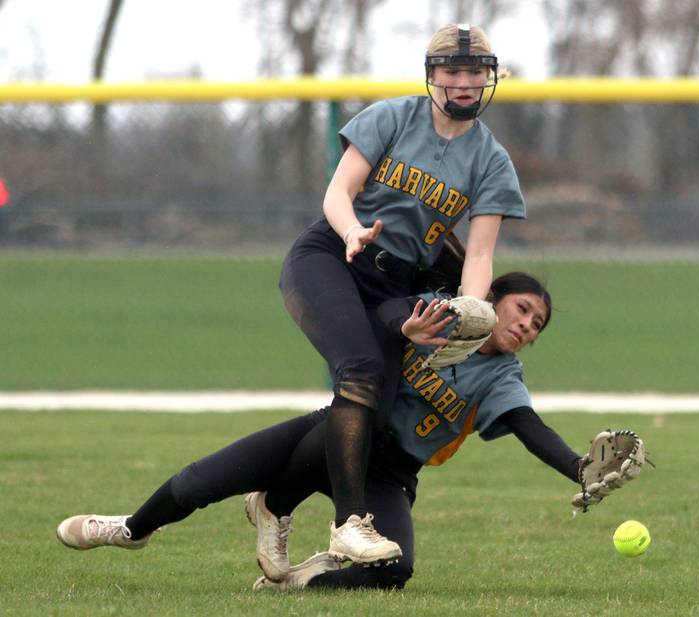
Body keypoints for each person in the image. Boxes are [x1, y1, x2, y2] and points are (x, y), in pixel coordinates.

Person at [57, 272, 583, 591]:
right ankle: (132, 529)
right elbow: (388, 311)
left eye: (537, 326)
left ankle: (302, 577)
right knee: (200, 483)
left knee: (393, 572)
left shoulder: (502, 376)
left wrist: (581, 469)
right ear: (492, 298)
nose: (526, 326)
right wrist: (409, 323)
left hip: (392, 473)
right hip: (339, 431)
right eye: (523, 309)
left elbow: (528, 425)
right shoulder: (441, 316)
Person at [277, 22, 526, 572]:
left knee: (376, 403)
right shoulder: (393, 116)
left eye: (475, 71)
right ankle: (347, 526)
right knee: (362, 369)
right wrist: (350, 232)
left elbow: (480, 255)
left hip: (395, 283)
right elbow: (338, 193)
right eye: (452, 70)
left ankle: (274, 502)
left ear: (490, 78)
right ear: (432, 75)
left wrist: (471, 309)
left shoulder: (491, 161)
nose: (464, 82)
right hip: (333, 255)